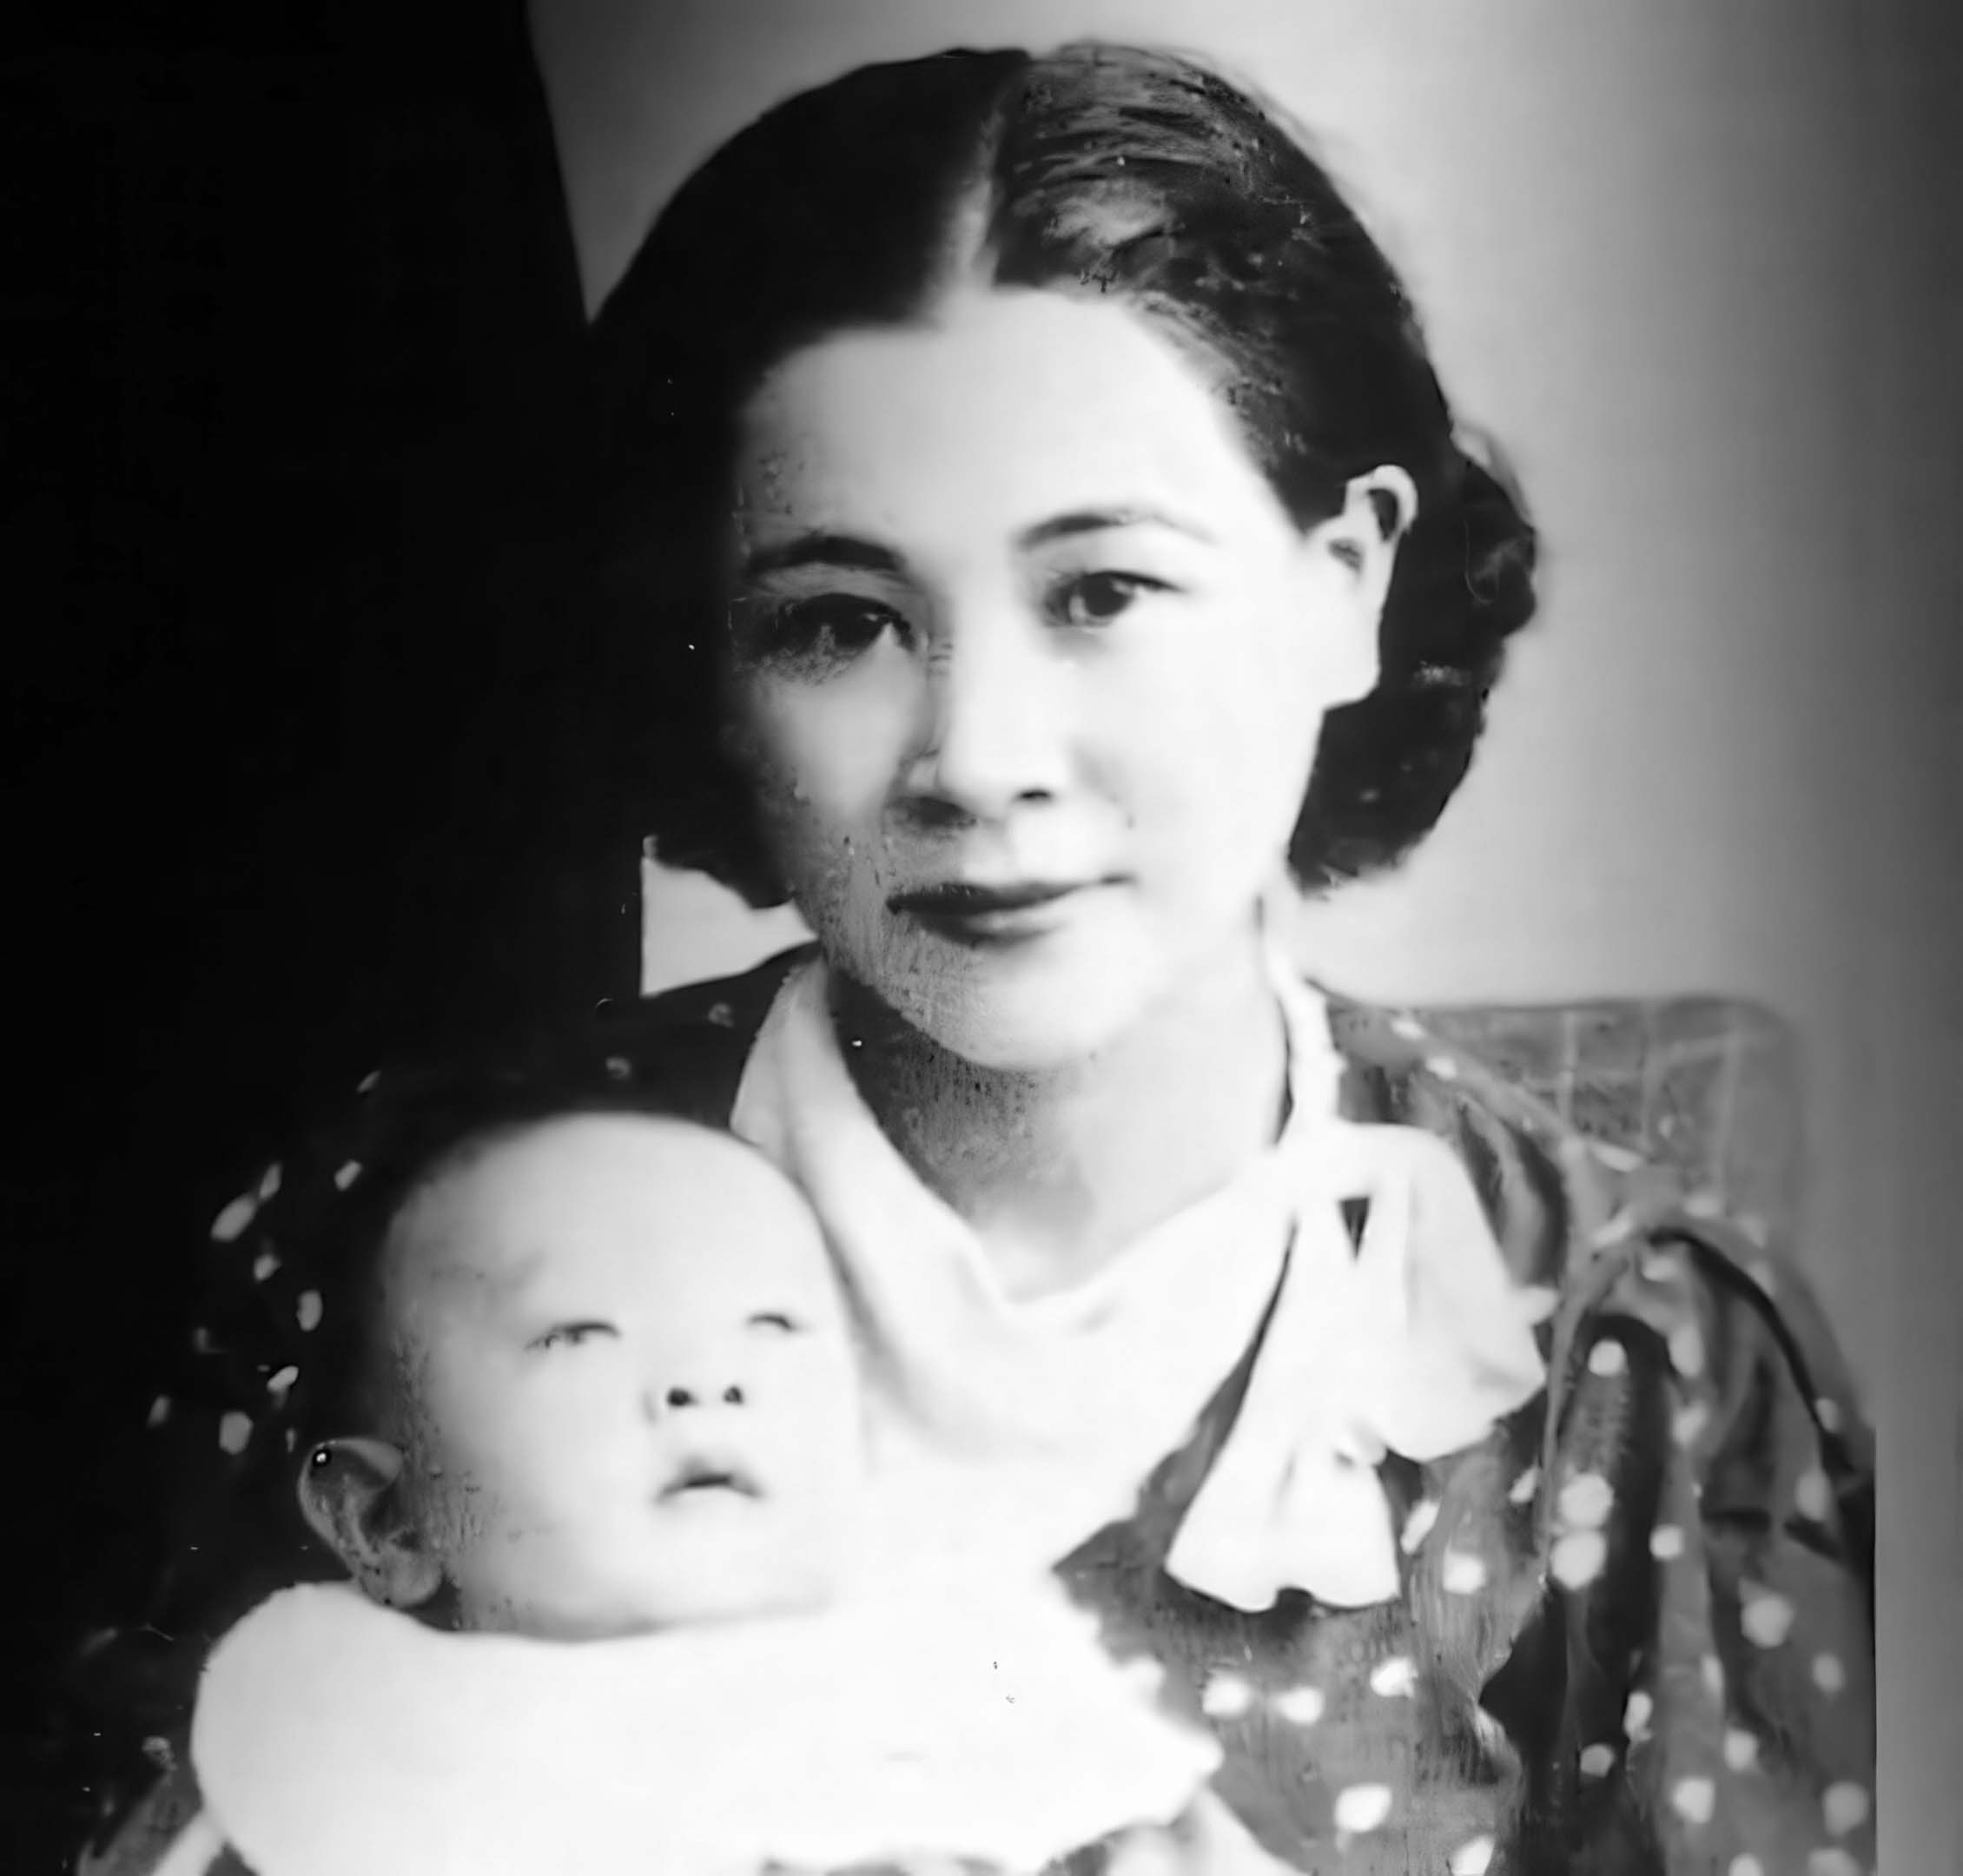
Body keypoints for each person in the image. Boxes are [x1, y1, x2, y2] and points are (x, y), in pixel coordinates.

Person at [80, 37, 1875, 1876]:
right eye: (841, 622)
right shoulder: (407, 1240)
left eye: (1099, 591)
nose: (978, 756)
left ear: (1340, 581)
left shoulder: (1623, 1361)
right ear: (703, 658)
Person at [84, 1062, 1255, 1876]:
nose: (706, 1383)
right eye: (582, 1337)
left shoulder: (953, 1671)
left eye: (774, 1331)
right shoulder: (350, 1747)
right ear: (386, 1522)